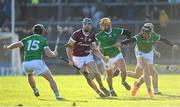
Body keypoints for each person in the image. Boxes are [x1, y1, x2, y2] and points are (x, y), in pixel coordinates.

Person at [3, 24, 62, 100]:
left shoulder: (27, 39)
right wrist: (54, 53)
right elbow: (49, 54)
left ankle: (35, 90)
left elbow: (17, 44)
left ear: (34, 31)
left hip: (26, 64)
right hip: (36, 62)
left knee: (30, 75)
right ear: (42, 31)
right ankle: (57, 96)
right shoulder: (43, 40)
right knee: (50, 79)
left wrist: (8, 47)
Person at [121, 23, 178, 97]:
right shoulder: (139, 36)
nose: (143, 34)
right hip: (140, 52)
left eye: (146, 32)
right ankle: (149, 91)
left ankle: (134, 81)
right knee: (146, 71)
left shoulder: (154, 35)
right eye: (143, 32)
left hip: (149, 53)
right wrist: (121, 43)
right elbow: (130, 40)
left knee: (142, 74)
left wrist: (172, 45)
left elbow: (162, 40)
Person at [65, 18, 110, 97]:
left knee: (96, 73)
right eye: (85, 24)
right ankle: (99, 93)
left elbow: (94, 50)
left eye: (89, 24)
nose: (87, 25)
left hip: (87, 56)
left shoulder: (92, 35)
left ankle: (102, 86)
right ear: (83, 25)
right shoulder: (76, 34)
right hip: (77, 58)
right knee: (88, 77)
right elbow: (68, 47)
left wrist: (102, 57)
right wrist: (70, 60)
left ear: (91, 26)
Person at [96, 17, 131, 97]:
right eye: (102, 25)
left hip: (117, 54)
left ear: (109, 24)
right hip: (107, 58)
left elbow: (128, 33)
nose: (104, 26)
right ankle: (111, 88)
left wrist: (122, 43)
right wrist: (95, 48)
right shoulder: (99, 35)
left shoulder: (116, 31)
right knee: (109, 75)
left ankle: (123, 81)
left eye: (106, 24)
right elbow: (92, 43)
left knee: (124, 71)